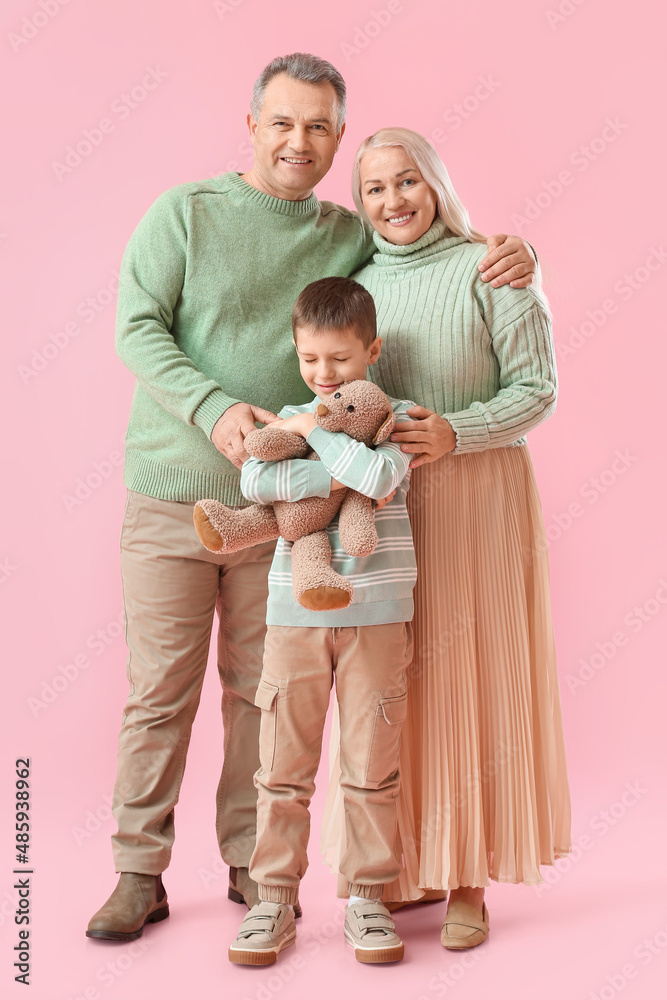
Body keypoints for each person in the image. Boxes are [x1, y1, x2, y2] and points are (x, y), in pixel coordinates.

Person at [86, 51, 538, 942]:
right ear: (252, 125)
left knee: (263, 696)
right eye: (284, 122)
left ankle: (257, 879)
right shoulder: (185, 213)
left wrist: (515, 249)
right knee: (158, 693)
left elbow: (424, 247)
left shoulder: (345, 233)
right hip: (176, 498)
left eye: (319, 126)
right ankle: (137, 871)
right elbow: (134, 325)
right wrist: (214, 411)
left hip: (299, 511)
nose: (301, 140)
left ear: (336, 137)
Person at [322, 128, 571, 949]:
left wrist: (457, 432)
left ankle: (468, 878)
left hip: (478, 501)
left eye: (407, 182)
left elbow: (537, 390)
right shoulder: (354, 287)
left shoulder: (491, 267)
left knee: (471, 676)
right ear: (359, 203)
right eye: (375, 189)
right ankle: (403, 868)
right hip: (388, 514)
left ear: (433, 183)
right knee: (398, 684)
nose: (392, 202)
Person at [223, 276, 415, 966]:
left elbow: (380, 479)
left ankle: (367, 896)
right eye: (310, 360)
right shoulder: (287, 419)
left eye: (337, 359)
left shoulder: (394, 419)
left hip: (378, 616)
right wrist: (319, 450)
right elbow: (254, 483)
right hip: (293, 616)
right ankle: (270, 899)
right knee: (281, 767)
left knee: (370, 766)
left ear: (371, 351)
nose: (323, 375)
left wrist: (318, 438)